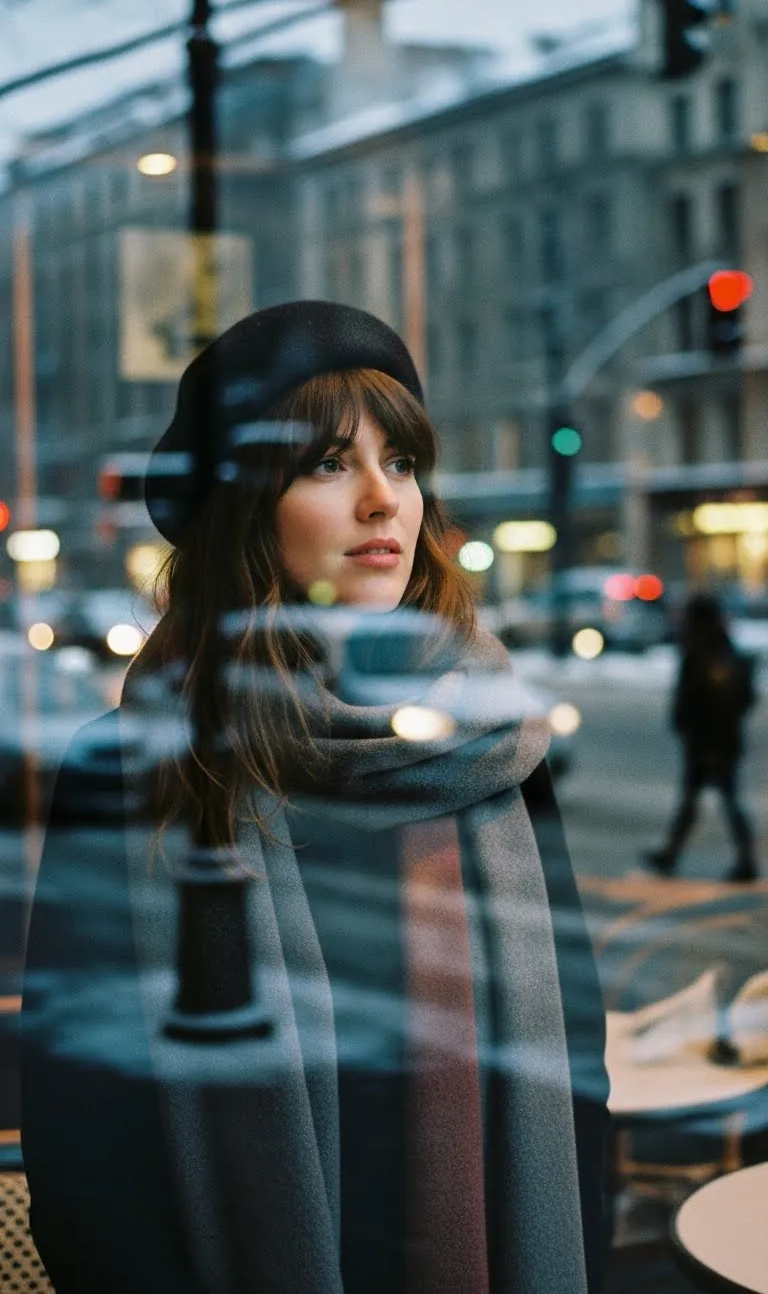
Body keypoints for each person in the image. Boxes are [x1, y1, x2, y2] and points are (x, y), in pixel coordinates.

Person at [22, 301, 609, 1294]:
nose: (385, 501)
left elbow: (575, 1072)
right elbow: (87, 1150)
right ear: (247, 504)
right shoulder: (141, 767)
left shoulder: (490, 744)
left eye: (404, 462)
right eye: (331, 465)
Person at [645, 591, 758, 882]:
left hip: (706, 743)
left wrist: (686, 725)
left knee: (717, 800)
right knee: (706, 800)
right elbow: (745, 700)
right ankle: (673, 854)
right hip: (722, 741)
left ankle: (743, 861)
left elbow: (691, 701)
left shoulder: (698, 653)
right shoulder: (727, 652)